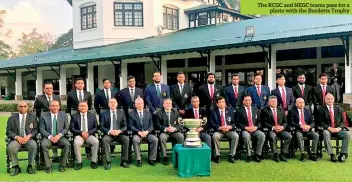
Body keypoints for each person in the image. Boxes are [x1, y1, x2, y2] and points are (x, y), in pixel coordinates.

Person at [6, 101, 38, 176]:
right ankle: (16, 166)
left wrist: (29, 136)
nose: (23, 108)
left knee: (33, 145)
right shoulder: (11, 118)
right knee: (11, 147)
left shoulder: (33, 118)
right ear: (17, 108)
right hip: (16, 140)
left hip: (29, 139)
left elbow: (36, 129)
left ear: (27, 107)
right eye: (21, 106)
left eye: (24, 106)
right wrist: (17, 137)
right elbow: (8, 131)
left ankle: (30, 166)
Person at [316, 93, 350, 163]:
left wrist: (339, 128)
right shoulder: (321, 109)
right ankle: (331, 154)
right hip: (327, 130)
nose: (330, 100)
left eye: (331, 99)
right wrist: (329, 128)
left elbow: (343, 122)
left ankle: (342, 154)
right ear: (325, 100)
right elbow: (320, 122)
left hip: (338, 130)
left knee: (347, 134)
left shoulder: (339, 109)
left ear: (333, 100)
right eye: (328, 99)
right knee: (325, 133)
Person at [33, 82, 61, 161]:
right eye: (47, 88)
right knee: (45, 138)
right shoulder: (39, 98)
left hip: (55, 120)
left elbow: (60, 109)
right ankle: (45, 157)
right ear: (44, 89)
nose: (49, 90)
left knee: (54, 134)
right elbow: (37, 111)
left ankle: (55, 156)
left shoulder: (57, 97)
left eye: (51, 88)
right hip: (44, 121)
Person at [39, 100, 70, 172]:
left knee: (67, 144)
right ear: (49, 107)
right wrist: (50, 137)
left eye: (57, 106)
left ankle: (62, 165)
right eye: (53, 106)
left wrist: (59, 135)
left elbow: (66, 128)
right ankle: (48, 166)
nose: (55, 107)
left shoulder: (64, 115)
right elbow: (41, 129)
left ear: (59, 107)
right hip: (48, 137)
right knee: (43, 145)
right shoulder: (43, 116)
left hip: (60, 137)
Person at [100, 98, 130, 169]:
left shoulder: (121, 113)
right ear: (108, 104)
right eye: (111, 102)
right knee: (104, 140)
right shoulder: (104, 114)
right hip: (109, 134)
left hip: (119, 134)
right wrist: (109, 131)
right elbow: (101, 126)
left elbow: (125, 126)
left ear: (117, 104)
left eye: (114, 102)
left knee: (126, 139)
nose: (113, 104)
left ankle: (124, 161)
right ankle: (108, 161)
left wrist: (119, 131)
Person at [128, 97, 158, 167]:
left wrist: (147, 132)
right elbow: (130, 126)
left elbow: (151, 126)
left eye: (141, 103)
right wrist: (138, 132)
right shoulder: (131, 114)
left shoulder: (148, 113)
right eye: (138, 104)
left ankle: (152, 159)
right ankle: (138, 159)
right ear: (135, 105)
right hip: (137, 133)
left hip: (147, 133)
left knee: (155, 139)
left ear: (143, 104)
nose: (140, 105)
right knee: (135, 140)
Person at [261, 96, 292, 162]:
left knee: (289, 136)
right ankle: (275, 154)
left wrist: (282, 127)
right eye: (272, 101)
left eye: (275, 101)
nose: (273, 103)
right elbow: (264, 123)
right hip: (271, 130)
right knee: (272, 136)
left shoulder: (281, 110)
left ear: (277, 102)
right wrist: (273, 127)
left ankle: (283, 153)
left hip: (281, 130)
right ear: (269, 102)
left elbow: (285, 122)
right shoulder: (265, 110)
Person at [70, 101, 99, 170]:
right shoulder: (74, 116)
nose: (83, 107)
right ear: (78, 107)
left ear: (87, 107)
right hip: (79, 135)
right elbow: (72, 128)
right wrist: (81, 133)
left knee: (96, 141)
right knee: (76, 143)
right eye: (81, 106)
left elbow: (96, 127)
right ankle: (79, 162)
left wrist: (88, 133)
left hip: (89, 135)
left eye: (84, 106)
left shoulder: (92, 115)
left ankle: (94, 161)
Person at [209, 96, 239, 163]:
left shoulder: (230, 110)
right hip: (219, 131)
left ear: (225, 103)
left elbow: (234, 123)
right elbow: (211, 123)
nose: (222, 104)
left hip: (229, 130)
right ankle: (218, 155)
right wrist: (219, 127)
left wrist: (230, 127)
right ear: (217, 104)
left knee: (236, 136)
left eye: (223, 102)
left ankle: (232, 155)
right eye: (220, 102)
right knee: (215, 136)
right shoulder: (213, 111)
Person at [236, 95, 265, 162]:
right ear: (243, 101)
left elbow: (260, 121)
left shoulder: (256, 109)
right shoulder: (239, 110)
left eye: (249, 100)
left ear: (251, 101)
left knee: (262, 135)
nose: (248, 102)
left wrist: (256, 127)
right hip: (245, 130)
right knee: (246, 136)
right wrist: (245, 127)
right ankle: (249, 155)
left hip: (255, 129)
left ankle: (257, 154)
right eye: (246, 100)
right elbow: (237, 122)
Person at [155, 98, 184, 165]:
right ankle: (165, 157)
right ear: (163, 105)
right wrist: (165, 128)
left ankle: (178, 154)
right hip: (165, 132)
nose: (168, 105)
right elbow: (157, 124)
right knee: (162, 137)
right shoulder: (159, 113)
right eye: (167, 103)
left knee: (181, 136)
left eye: (170, 103)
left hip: (174, 132)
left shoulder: (176, 113)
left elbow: (180, 124)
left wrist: (174, 128)